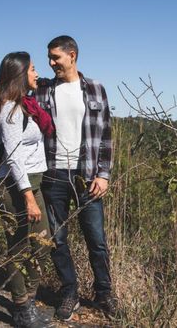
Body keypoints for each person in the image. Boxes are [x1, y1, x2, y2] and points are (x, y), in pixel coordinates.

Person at [35, 36, 116, 321]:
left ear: (72, 55)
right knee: (57, 239)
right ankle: (70, 292)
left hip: (87, 176)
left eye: (56, 57)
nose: (51, 63)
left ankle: (104, 294)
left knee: (97, 239)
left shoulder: (95, 88)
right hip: (53, 174)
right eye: (49, 58)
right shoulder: (43, 90)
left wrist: (104, 175)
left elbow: (106, 136)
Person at [0, 51, 54, 328]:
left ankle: (28, 302)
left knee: (42, 244)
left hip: (29, 185)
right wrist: (28, 197)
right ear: (19, 74)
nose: (36, 74)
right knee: (18, 248)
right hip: (14, 188)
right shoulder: (9, 110)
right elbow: (13, 157)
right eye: (33, 69)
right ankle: (21, 309)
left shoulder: (22, 105)